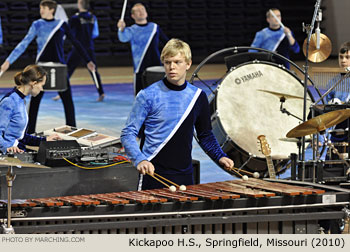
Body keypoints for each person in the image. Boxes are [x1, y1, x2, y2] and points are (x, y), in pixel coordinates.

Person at [121, 38, 234, 190]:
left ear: (188, 64)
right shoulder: (148, 95)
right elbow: (128, 133)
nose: (171, 67)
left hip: (184, 175)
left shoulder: (197, 97)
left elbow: (205, 135)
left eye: (177, 62)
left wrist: (220, 156)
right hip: (152, 172)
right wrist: (140, 159)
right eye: (167, 62)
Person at [0, 0, 95, 134]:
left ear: (51, 9)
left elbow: (76, 43)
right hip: (41, 69)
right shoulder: (37, 24)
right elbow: (24, 43)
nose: (41, 10)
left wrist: (88, 61)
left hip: (59, 69)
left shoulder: (62, 25)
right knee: (34, 103)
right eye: (40, 8)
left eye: (43, 8)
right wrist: (8, 61)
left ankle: (73, 131)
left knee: (68, 102)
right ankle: (29, 132)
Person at [0, 65, 60, 154]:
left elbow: (21, 137)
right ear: (34, 83)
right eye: (41, 85)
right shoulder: (10, 101)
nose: (42, 89)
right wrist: (7, 147)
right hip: (9, 155)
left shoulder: (21, 100)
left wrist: (45, 140)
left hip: (18, 150)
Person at [54, 0, 105, 102]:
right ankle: (101, 92)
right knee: (93, 70)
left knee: (67, 70)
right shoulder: (92, 17)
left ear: (79, 5)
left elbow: (70, 33)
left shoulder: (75, 18)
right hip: (89, 47)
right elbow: (96, 33)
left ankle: (61, 93)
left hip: (78, 48)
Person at [117, 3, 169, 96]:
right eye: (137, 10)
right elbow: (123, 38)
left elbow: (167, 42)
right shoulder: (131, 30)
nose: (141, 12)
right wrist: (121, 29)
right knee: (139, 96)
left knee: (159, 94)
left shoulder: (154, 27)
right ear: (133, 16)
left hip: (156, 66)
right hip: (140, 68)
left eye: (142, 9)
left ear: (146, 13)